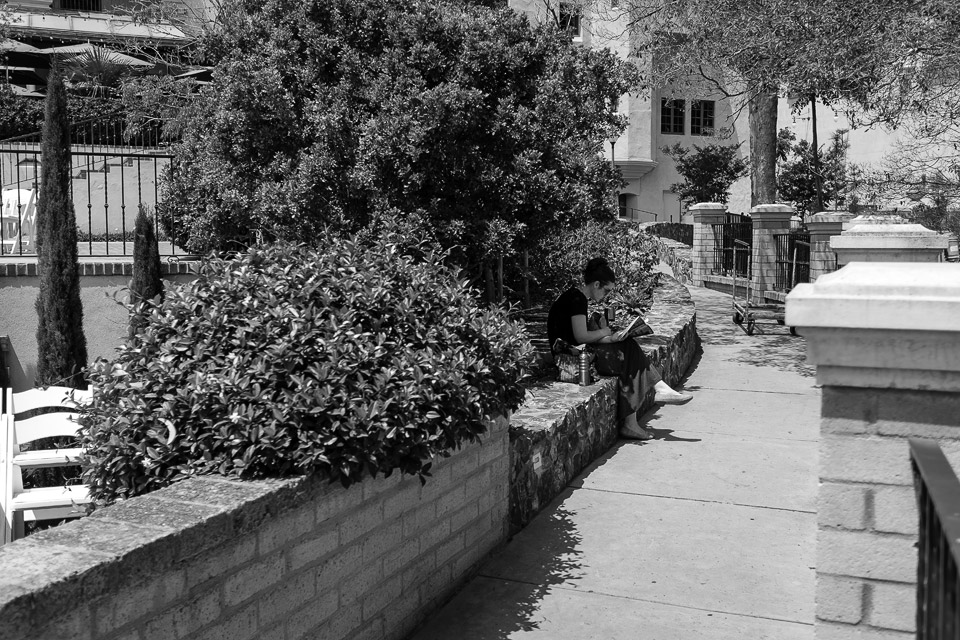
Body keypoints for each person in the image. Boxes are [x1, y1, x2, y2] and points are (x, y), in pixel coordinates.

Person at [547, 257, 692, 440]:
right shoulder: (577, 299)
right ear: (596, 284)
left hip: (578, 353)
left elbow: (579, 337)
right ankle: (654, 395)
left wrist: (609, 337)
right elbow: (580, 337)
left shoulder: (574, 297)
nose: (606, 295)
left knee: (627, 349)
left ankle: (652, 399)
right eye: (606, 290)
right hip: (572, 359)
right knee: (627, 354)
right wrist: (605, 332)